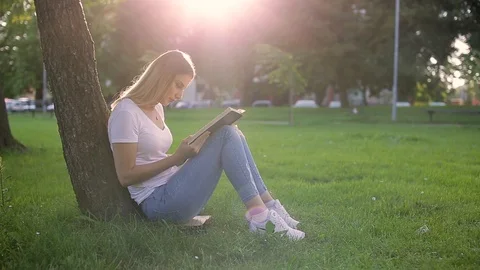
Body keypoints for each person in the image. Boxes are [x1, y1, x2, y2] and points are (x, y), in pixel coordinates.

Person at [107, 50, 305, 240]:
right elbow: (126, 176)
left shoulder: (156, 107)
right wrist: (177, 158)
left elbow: (151, 157)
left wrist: (190, 150)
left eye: (183, 88)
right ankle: (262, 219)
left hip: (172, 186)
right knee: (226, 134)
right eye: (178, 85)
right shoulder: (126, 112)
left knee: (234, 132)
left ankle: (269, 206)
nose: (180, 95)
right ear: (160, 76)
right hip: (158, 204)